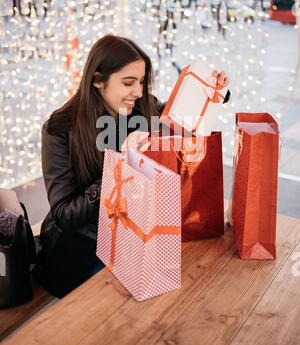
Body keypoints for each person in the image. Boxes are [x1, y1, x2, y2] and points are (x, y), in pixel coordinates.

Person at [33, 35, 230, 298]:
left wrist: (216, 91)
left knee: (190, 279)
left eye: (141, 81)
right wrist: (120, 165)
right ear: (97, 80)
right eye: (128, 83)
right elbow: (65, 214)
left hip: (131, 236)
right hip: (78, 249)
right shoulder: (59, 129)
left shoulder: (142, 107)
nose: (138, 92)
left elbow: (178, 114)